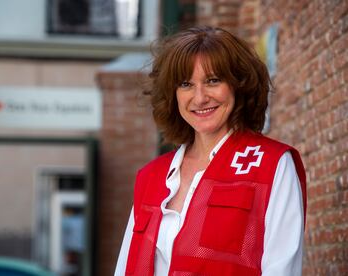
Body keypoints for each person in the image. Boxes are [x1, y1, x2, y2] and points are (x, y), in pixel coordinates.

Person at [114, 26, 307, 276]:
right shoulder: (152, 176)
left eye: (213, 80)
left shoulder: (272, 165)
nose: (200, 97)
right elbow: (125, 267)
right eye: (185, 84)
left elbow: (281, 269)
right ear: (173, 95)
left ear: (238, 85)